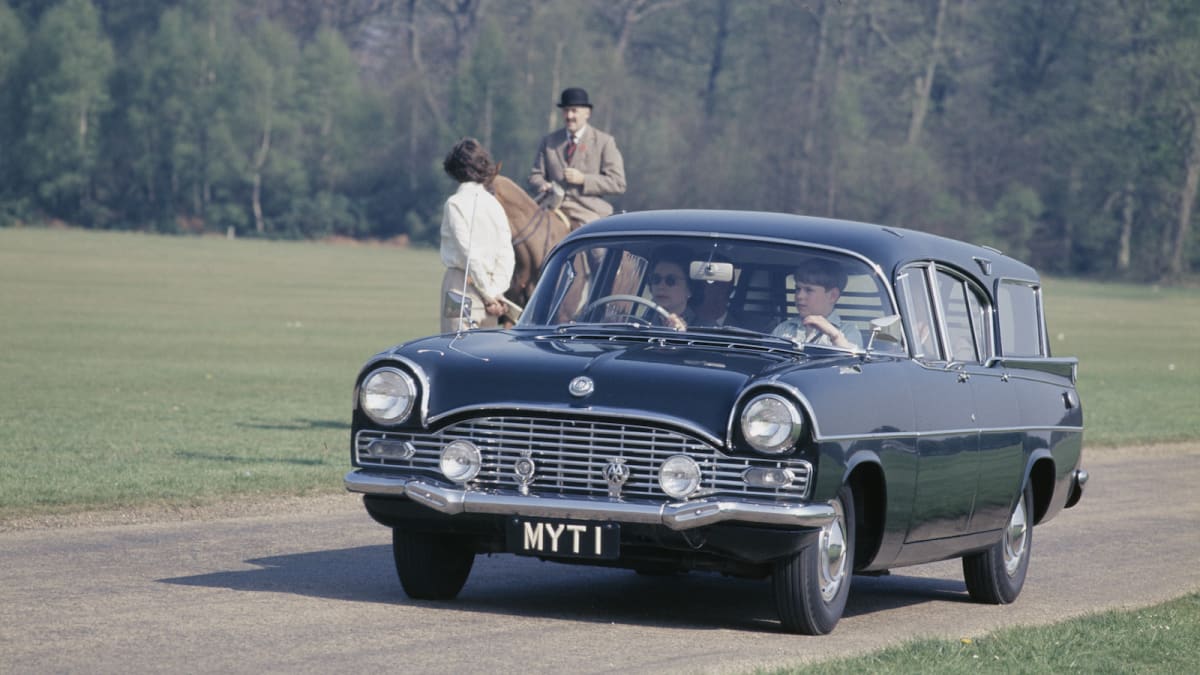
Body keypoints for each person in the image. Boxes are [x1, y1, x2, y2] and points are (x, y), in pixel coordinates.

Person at [439, 137, 515, 333]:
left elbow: (469, 254)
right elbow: (506, 253)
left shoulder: (455, 204)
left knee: (453, 349)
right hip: (493, 291)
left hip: (459, 288)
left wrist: (489, 295)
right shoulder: (494, 205)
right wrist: (496, 291)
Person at [529, 87, 626, 230]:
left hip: (587, 210)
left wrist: (584, 179)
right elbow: (535, 175)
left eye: (574, 110)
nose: (569, 116)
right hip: (551, 206)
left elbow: (618, 183)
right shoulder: (549, 141)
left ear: (587, 113)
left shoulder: (604, 142)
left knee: (598, 250)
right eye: (566, 110)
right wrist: (543, 185)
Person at [772, 259, 863, 349]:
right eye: (798, 289)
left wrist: (835, 336)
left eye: (809, 290)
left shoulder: (848, 332)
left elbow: (852, 361)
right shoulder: (784, 328)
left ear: (833, 296)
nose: (799, 296)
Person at [645, 247, 695, 330]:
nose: (661, 286)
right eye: (656, 279)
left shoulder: (706, 328)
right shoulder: (640, 322)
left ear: (689, 288)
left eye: (671, 281)